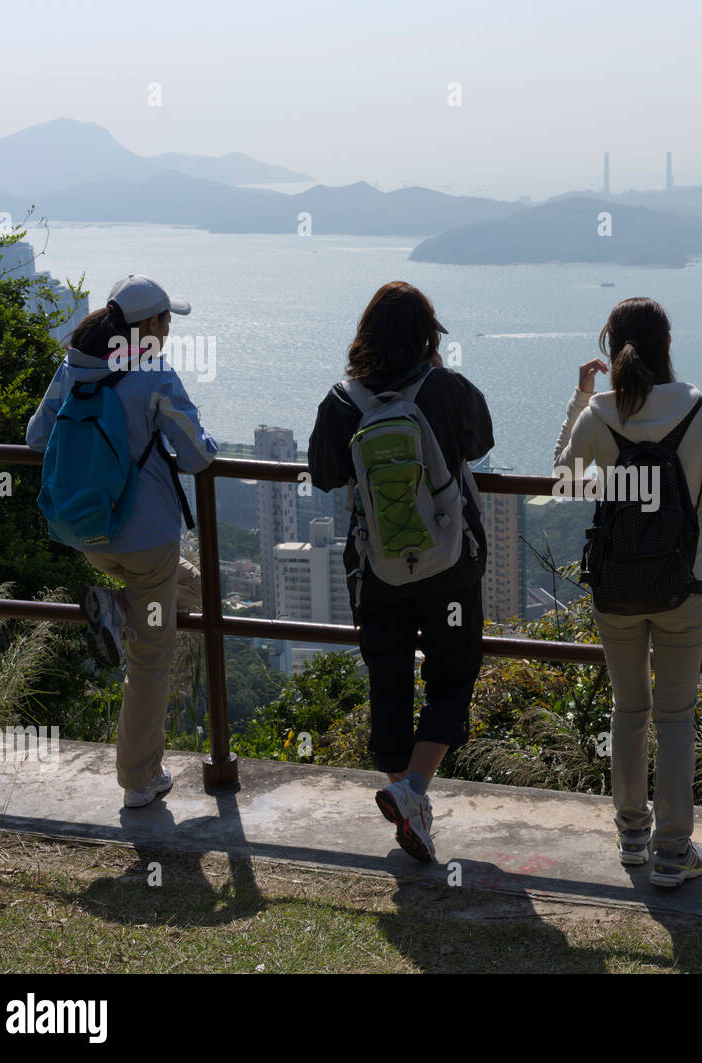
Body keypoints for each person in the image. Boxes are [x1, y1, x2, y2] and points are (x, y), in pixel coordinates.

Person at [553, 296, 702, 887]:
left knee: (629, 711)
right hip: (682, 589)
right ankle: (672, 851)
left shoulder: (600, 415)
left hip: (615, 589)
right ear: (668, 346)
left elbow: (563, 482)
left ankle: (632, 836)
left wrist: (580, 400)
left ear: (612, 353)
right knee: (676, 718)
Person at [308, 281, 493, 863]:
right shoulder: (446, 389)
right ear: (426, 337)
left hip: (376, 569)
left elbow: (324, 474)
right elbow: (482, 442)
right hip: (449, 568)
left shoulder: (341, 401)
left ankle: (405, 797)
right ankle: (413, 791)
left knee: (387, 679)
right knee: (454, 674)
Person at [26, 275, 217, 808]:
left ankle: (114, 605)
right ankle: (139, 782)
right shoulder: (155, 374)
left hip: (91, 535)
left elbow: (36, 437)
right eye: (168, 321)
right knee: (150, 663)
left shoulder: (74, 368)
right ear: (151, 326)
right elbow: (198, 456)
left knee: (200, 592)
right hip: (148, 538)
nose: (170, 330)